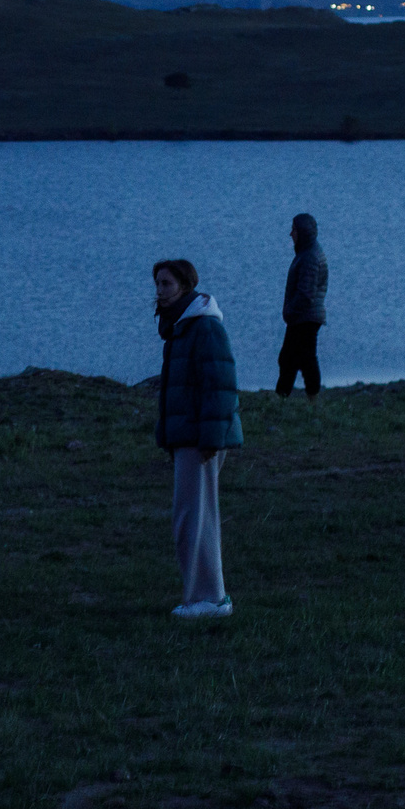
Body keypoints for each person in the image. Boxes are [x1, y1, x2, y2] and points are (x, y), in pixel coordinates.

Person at [154, 258, 242, 619]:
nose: (159, 292)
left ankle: (210, 598)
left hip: (200, 440)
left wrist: (210, 439)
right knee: (191, 516)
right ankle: (205, 596)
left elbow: (220, 385)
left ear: (185, 287)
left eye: (167, 285)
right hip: (188, 437)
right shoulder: (181, 326)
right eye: (157, 284)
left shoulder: (203, 327)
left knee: (196, 517)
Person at [277, 212, 328, 399]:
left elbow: (306, 294)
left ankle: (308, 395)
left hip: (305, 317)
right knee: (292, 358)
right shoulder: (307, 253)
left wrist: (291, 312)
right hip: (304, 316)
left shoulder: (310, 257)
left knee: (301, 358)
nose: (291, 234)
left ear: (302, 232)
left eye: (294, 230)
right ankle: (288, 395)